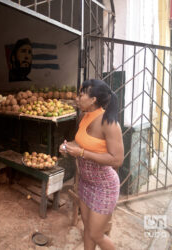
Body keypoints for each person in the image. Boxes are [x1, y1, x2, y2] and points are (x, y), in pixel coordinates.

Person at [59, 79, 124, 250]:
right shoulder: (84, 116)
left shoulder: (109, 123)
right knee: (87, 229)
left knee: (96, 234)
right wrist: (67, 146)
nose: (77, 98)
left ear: (93, 99)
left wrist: (82, 153)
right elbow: (80, 142)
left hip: (104, 186)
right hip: (86, 183)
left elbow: (117, 160)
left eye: (81, 95)